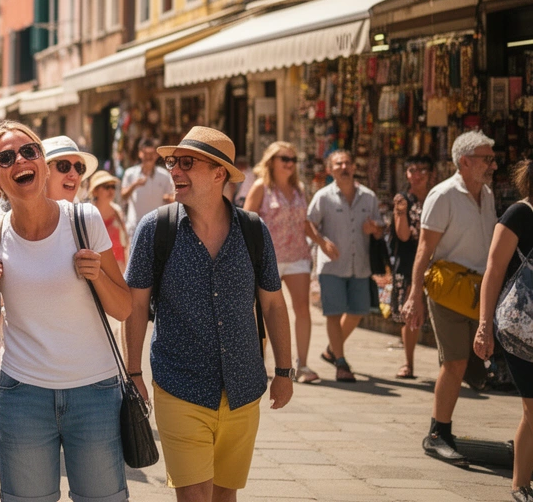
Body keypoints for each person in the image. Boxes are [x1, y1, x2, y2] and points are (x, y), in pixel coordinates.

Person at [0, 122, 131, 502]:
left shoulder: (84, 220)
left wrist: (98, 278)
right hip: (23, 397)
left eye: (29, 152)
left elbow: (123, 308)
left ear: (42, 162)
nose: (20, 161)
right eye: (6, 158)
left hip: (95, 392)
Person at [123, 127, 293, 501]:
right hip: (179, 385)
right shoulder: (155, 230)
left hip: (243, 388)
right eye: (173, 163)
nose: (175, 172)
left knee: (224, 495)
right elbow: (134, 307)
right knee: (194, 495)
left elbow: (273, 304)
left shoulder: (253, 230)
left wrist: (284, 371)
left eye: (187, 163)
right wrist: (133, 373)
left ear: (219, 173)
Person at [403, 130, 499, 465]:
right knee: (454, 362)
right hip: (448, 291)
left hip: (480, 292)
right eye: (487, 159)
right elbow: (424, 250)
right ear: (465, 161)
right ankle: (437, 434)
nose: (494, 164)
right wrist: (414, 295)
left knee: (474, 363)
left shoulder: (486, 193)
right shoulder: (443, 195)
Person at [475, 160, 533, 502]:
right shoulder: (518, 214)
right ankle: (519, 484)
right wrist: (484, 327)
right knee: (532, 408)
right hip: (520, 330)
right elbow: (493, 271)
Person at [305, 150, 386, 383]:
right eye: (338, 164)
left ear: (353, 167)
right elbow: (308, 223)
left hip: (359, 265)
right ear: (331, 170)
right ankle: (341, 362)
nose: (344, 167)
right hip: (331, 267)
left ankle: (332, 349)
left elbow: (380, 228)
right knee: (333, 313)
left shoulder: (368, 197)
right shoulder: (323, 197)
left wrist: (375, 229)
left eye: (347, 163)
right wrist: (322, 242)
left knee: (358, 311)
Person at [242, 142, 318, 383]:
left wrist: (322, 242)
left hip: (297, 255)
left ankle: (303, 365)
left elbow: (304, 222)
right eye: (284, 158)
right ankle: (258, 364)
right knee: (262, 312)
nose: (289, 164)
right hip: (267, 258)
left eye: (293, 160)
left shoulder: (299, 189)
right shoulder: (261, 187)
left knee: (302, 309)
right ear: (272, 161)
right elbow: (246, 221)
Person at [390, 155, 434, 379]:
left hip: (438, 262)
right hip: (411, 262)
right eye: (412, 170)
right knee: (412, 315)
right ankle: (408, 363)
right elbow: (403, 235)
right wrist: (400, 212)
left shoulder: (438, 198)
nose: (417, 175)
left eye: (422, 170)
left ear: (431, 174)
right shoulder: (403, 200)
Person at [121, 136, 176, 231]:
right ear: (140, 154)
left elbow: (173, 199)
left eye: (151, 154)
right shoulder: (130, 174)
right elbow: (123, 196)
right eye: (146, 153)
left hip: (157, 227)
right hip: (135, 226)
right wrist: (134, 185)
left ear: (156, 155)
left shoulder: (165, 176)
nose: (148, 157)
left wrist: (168, 198)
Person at [90, 171, 128, 267]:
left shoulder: (117, 211)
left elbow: (125, 242)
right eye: (106, 187)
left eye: (113, 187)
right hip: (99, 268)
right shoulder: (88, 214)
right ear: (95, 191)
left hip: (119, 265)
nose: (111, 190)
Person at [41, 136, 95, 204]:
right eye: (64, 166)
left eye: (79, 167)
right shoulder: (25, 213)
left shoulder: (88, 214)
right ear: (44, 172)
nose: (75, 175)